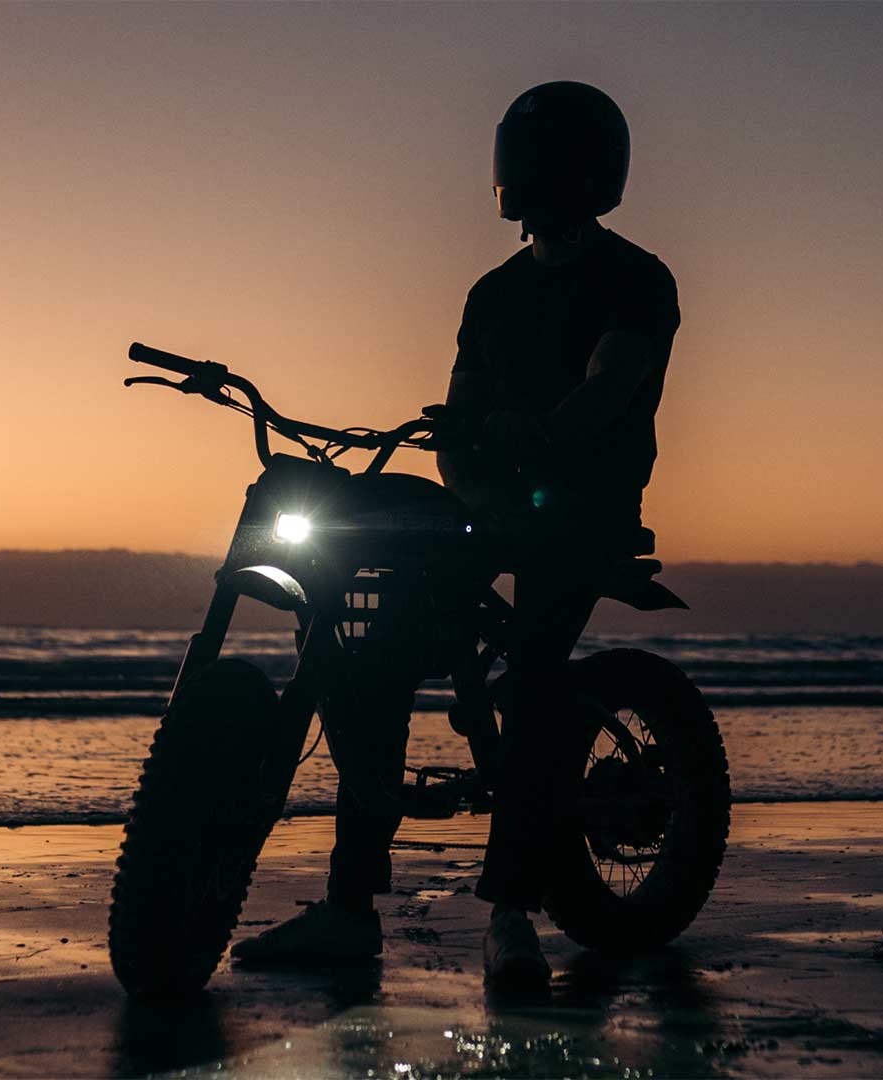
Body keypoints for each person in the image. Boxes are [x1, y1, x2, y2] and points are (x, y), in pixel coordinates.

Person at [231, 81, 680, 988]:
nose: (512, 182)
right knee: (377, 645)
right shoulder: (493, 293)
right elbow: (464, 405)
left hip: (584, 512)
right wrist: (465, 463)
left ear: (580, 173)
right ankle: (350, 906)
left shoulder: (639, 279)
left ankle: (511, 912)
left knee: (537, 681)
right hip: (494, 505)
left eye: (530, 162)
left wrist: (535, 443)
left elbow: (608, 392)